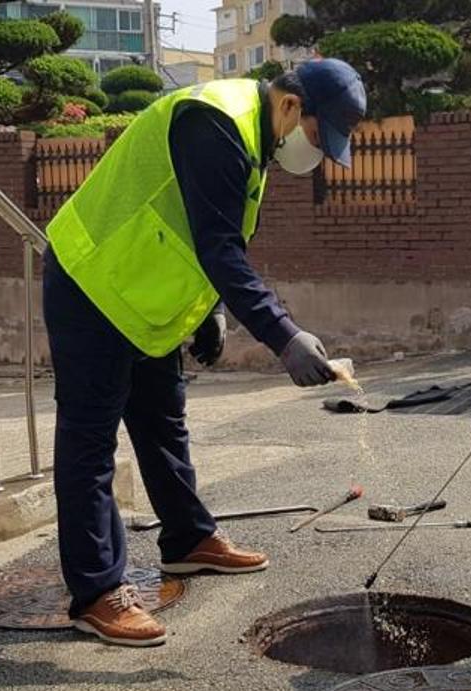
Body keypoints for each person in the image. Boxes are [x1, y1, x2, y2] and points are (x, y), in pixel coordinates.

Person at [43, 59, 366, 647]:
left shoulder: (255, 137)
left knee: (163, 422)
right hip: (92, 280)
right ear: (292, 106)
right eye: (321, 137)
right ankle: (96, 593)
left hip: (142, 294)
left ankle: (188, 540)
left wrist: (213, 309)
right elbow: (219, 246)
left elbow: (214, 230)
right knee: (90, 440)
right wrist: (284, 336)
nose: (317, 154)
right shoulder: (215, 121)